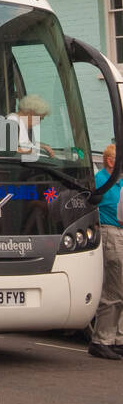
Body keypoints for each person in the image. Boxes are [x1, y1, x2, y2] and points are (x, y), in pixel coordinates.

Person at [89, 143, 123, 360]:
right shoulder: (101, 181)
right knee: (114, 289)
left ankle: (117, 338)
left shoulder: (117, 182)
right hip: (111, 232)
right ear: (111, 161)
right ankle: (102, 339)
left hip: (118, 230)